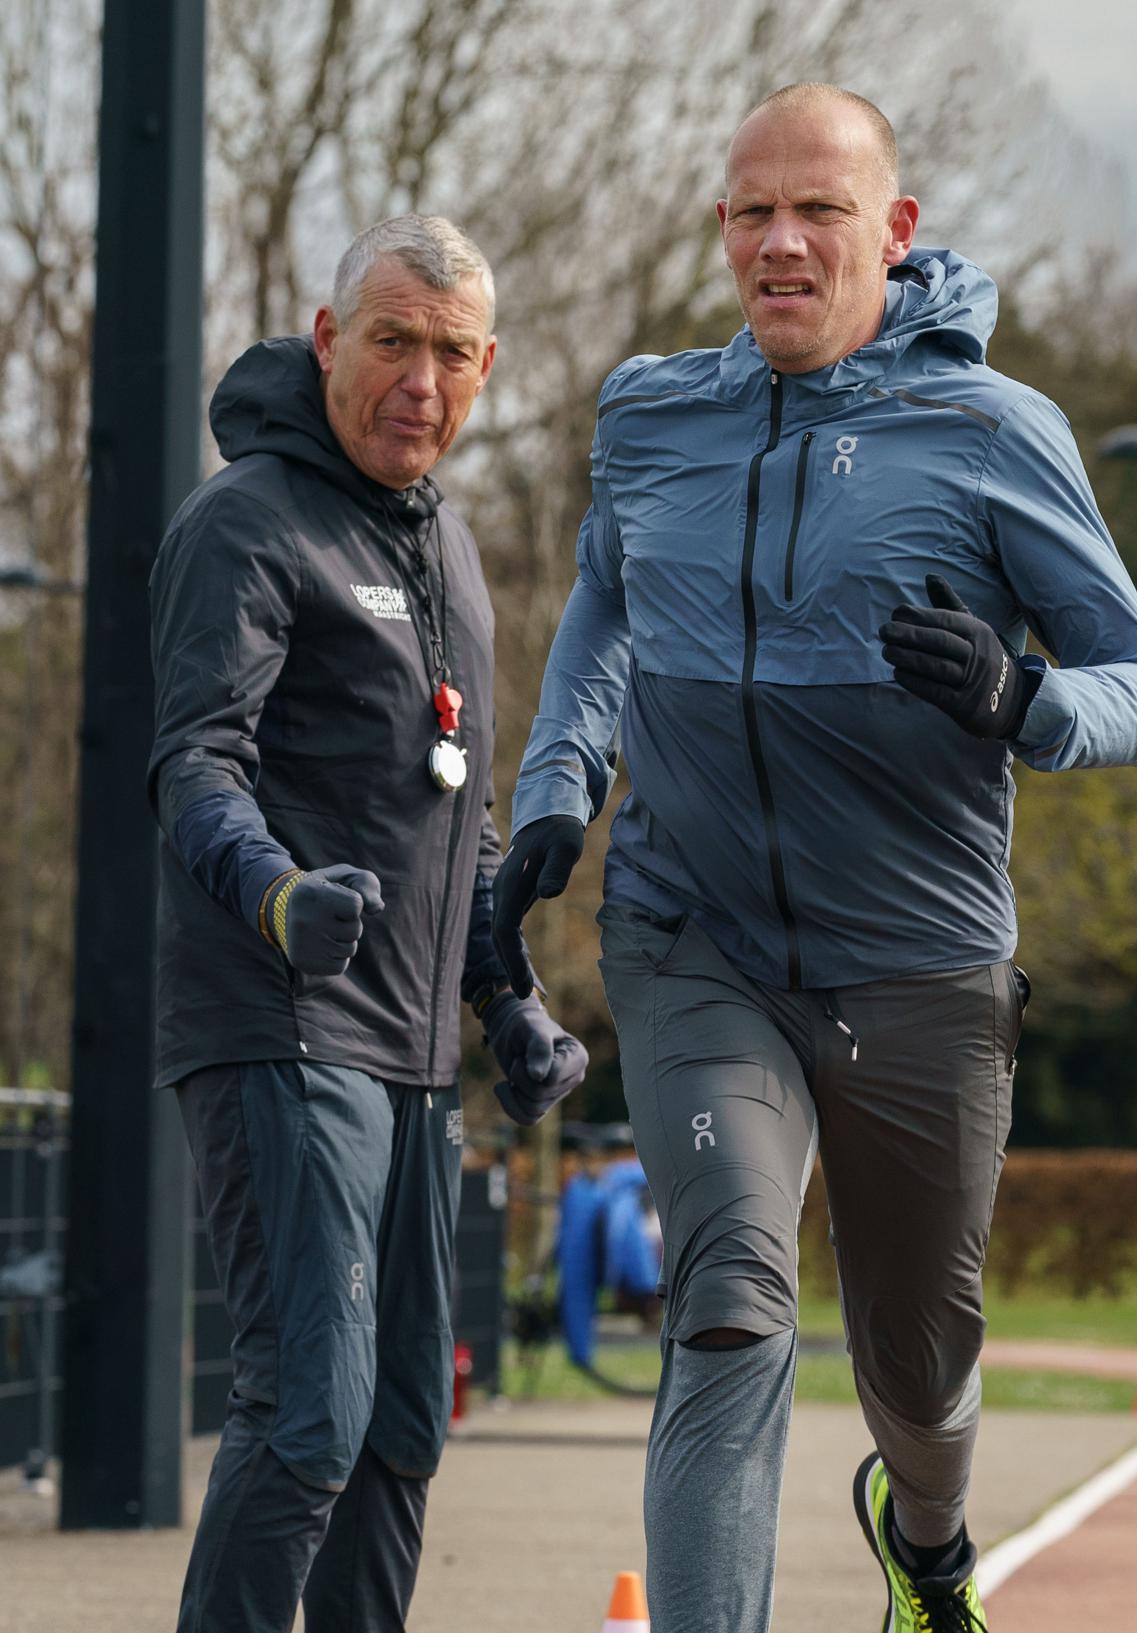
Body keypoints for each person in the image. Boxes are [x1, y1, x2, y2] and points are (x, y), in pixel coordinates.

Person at [492, 83, 1137, 1633]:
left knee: (919, 1367)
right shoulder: (651, 414)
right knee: (727, 1307)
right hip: (693, 939)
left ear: (895, 231)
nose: (782, 243)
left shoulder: (996, 432)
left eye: (819, 212)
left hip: (921, 965)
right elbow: (606, 607)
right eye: (752, 213)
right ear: (722, 230)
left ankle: (926, 1545)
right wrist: (558, 782)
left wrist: (1023, 700)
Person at [149, 215, 588, 1633]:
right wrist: (276, 891)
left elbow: (454, 818)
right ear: (329, 339)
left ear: (488, 366)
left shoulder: (450, 547)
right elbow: (195, 764)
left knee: (403, 1422)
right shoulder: (247, 521)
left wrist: (504, 998)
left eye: (453, 353)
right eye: (391, 340)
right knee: (308, 1418)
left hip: (407, 1053)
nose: (421, 379)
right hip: (279, 1021)